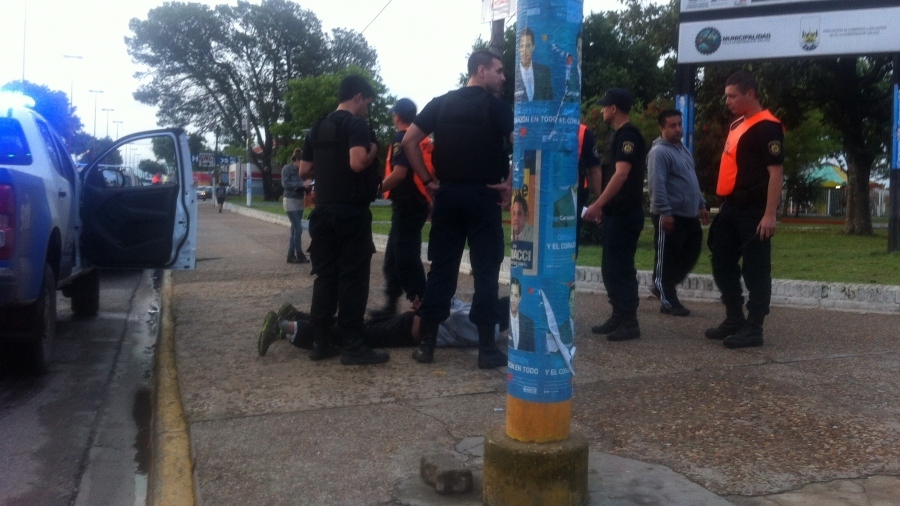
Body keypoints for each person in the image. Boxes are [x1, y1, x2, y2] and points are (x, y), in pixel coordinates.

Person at [400, 50, 514, 369]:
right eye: (499, 71)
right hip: (484, 196)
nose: (504, 77)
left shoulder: (440, 103)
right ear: (481, 70)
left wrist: (428, 180)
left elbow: (409, 142)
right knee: (486, 272)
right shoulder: (497, 107)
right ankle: (487, 350)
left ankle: (427, 346)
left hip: (447, 196)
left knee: (441, 272)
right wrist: (509, 182)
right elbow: (523, 143)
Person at [297, 75, 388, 365]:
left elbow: (304, 171)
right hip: (350, 212)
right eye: (368, 104)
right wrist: (374, 150)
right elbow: (357, 162)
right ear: (358, 97)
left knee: (325, 277)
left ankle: (320, 342)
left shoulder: (318, 126)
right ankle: (353, 345)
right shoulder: (356, 125)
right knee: (353, 278)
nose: (367, 110)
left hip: (321, 212)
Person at [706, 71, 784, 349]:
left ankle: (754, 327)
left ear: (750, 94)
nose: (727, 101)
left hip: (754, 210)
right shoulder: (739, 124)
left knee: (756, 269)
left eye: (732, 96)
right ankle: (734, 316)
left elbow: (776, 174)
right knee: (721, 259)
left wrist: (769, 214)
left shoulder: (768, 127)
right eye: (727, 96)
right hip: (731, 207)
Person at [583, 88, 647, 342]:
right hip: (616, 213)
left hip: (625, 212)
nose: (601, 110)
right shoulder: (619, 136)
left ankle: (629, 321)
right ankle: (618, 314)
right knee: (610, 267)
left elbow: (621, 174)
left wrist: (598, 204)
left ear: (614, 108)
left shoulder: (628, 136)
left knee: (620, 268)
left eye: (604, 105)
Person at [258, 297, 510, 357]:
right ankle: (291, 321)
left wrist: (433, 305)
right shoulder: (484, 318)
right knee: (353, 329)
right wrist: (431, 300)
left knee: (352, 332)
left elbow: (454, 318)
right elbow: (454, 303)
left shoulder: (488, 328)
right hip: (410, 325)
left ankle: (290, 324)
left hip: (411, 330)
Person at [370, 98, 433, 319]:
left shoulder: (402, 139)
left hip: (408, 205)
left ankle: (422, 305)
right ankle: (390, 304)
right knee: (393, 257)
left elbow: (399, 174)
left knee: (405, 257)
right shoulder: (422, 139)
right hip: (416, 204)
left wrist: (374, 190)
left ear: (397, 115)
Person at [647, 109, 710, 316]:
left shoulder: (683, 150)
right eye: (672, 126)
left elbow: (692, 180)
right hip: (670, 214)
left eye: (679, 124)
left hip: (688, 214)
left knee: (691, 251)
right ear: (662, 128)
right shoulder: (659, 153)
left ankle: (662, 285)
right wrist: (665, 212)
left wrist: (701, 204)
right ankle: (668, 300)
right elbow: (657, 185)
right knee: (668, 257)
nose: (678, 129)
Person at [575, 123, 601, 256]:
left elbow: (594, 169)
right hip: (544, 196)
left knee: (570, 241)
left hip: (574, 197)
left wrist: (601, 202)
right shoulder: (582, 131)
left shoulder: (583, 132)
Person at [282, 149, 311, 264]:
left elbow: (304, 184)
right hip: (290, 200)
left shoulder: (302, 171)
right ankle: (299, 253)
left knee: (294, 229)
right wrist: (301, 184)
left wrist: (307, 185)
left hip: (299, 200)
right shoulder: (287, 169)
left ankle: (290, 254)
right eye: (302, 161)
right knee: (298, 229)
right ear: (297, 160)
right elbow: (285, 184)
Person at [514, 27, 553, 102]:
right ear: (518, 49)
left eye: (528, 46)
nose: (524, 50)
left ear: (533, 47)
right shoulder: (514, 74)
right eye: (522, 46)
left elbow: (549, 101)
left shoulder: (545, 72)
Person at [507, 277, 534, 352]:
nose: (512, 300)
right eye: (511, 294)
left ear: (520, 298)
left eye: (515, 295)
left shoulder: (529, 323)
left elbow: (531, 351)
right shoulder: (504, 317)